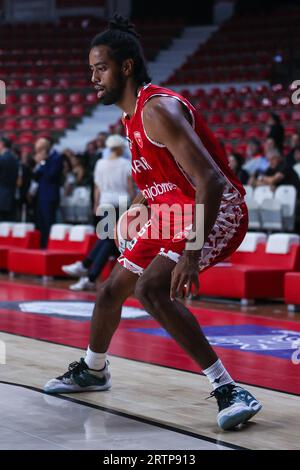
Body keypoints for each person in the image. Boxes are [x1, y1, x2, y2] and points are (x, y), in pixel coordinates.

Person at [44, 15, 262, 431]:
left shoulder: (157, 109)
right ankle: (94, 369)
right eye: (90, 69)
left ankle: (229, 388)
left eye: (100, 67)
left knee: (151, 288)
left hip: (217, 208)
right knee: (111, 290)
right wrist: (142, 202)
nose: (93, 77)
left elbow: (211, 183)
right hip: (174, 211)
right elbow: (166, 176)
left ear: (126, 66)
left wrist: (192, 253)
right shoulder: (129, 118)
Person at [33, 137, 63, 247]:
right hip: (41, 195)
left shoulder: (56, 157)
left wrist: (42, 162)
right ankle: (42, 246)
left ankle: (49, 246)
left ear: (45, 148)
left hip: (50, 196)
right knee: (41, 223)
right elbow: (36, 176)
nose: (38, 152)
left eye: (39, 149)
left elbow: (50, 176)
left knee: (49, 223)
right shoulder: (43, 160)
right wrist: (39, 163)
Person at [0, 137, 19, 221]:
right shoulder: (14, 158)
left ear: (2, 144)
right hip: (10, 194)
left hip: (2, 195)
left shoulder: (2, 159)